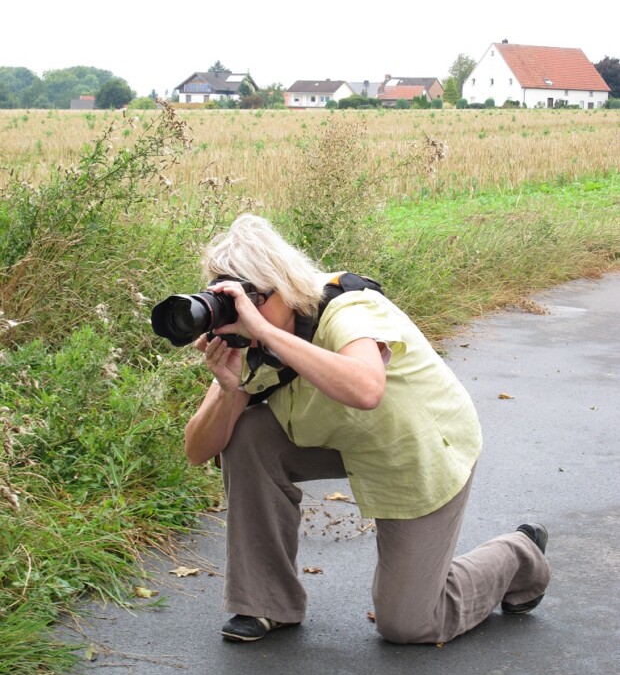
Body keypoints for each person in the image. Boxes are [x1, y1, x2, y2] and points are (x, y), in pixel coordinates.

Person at [184, 214, 550, 643]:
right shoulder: (248, 339)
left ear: (284, 286)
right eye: (233, 303)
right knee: (246, 434)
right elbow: (197, 451)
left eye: (256, 299)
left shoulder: (348, 310)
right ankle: (267, 603)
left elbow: (366, 389)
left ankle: (518, 554)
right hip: (339, 436)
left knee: (410, 624)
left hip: (416, 448)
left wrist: (265, 331)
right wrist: (229, 390)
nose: (246, 315)